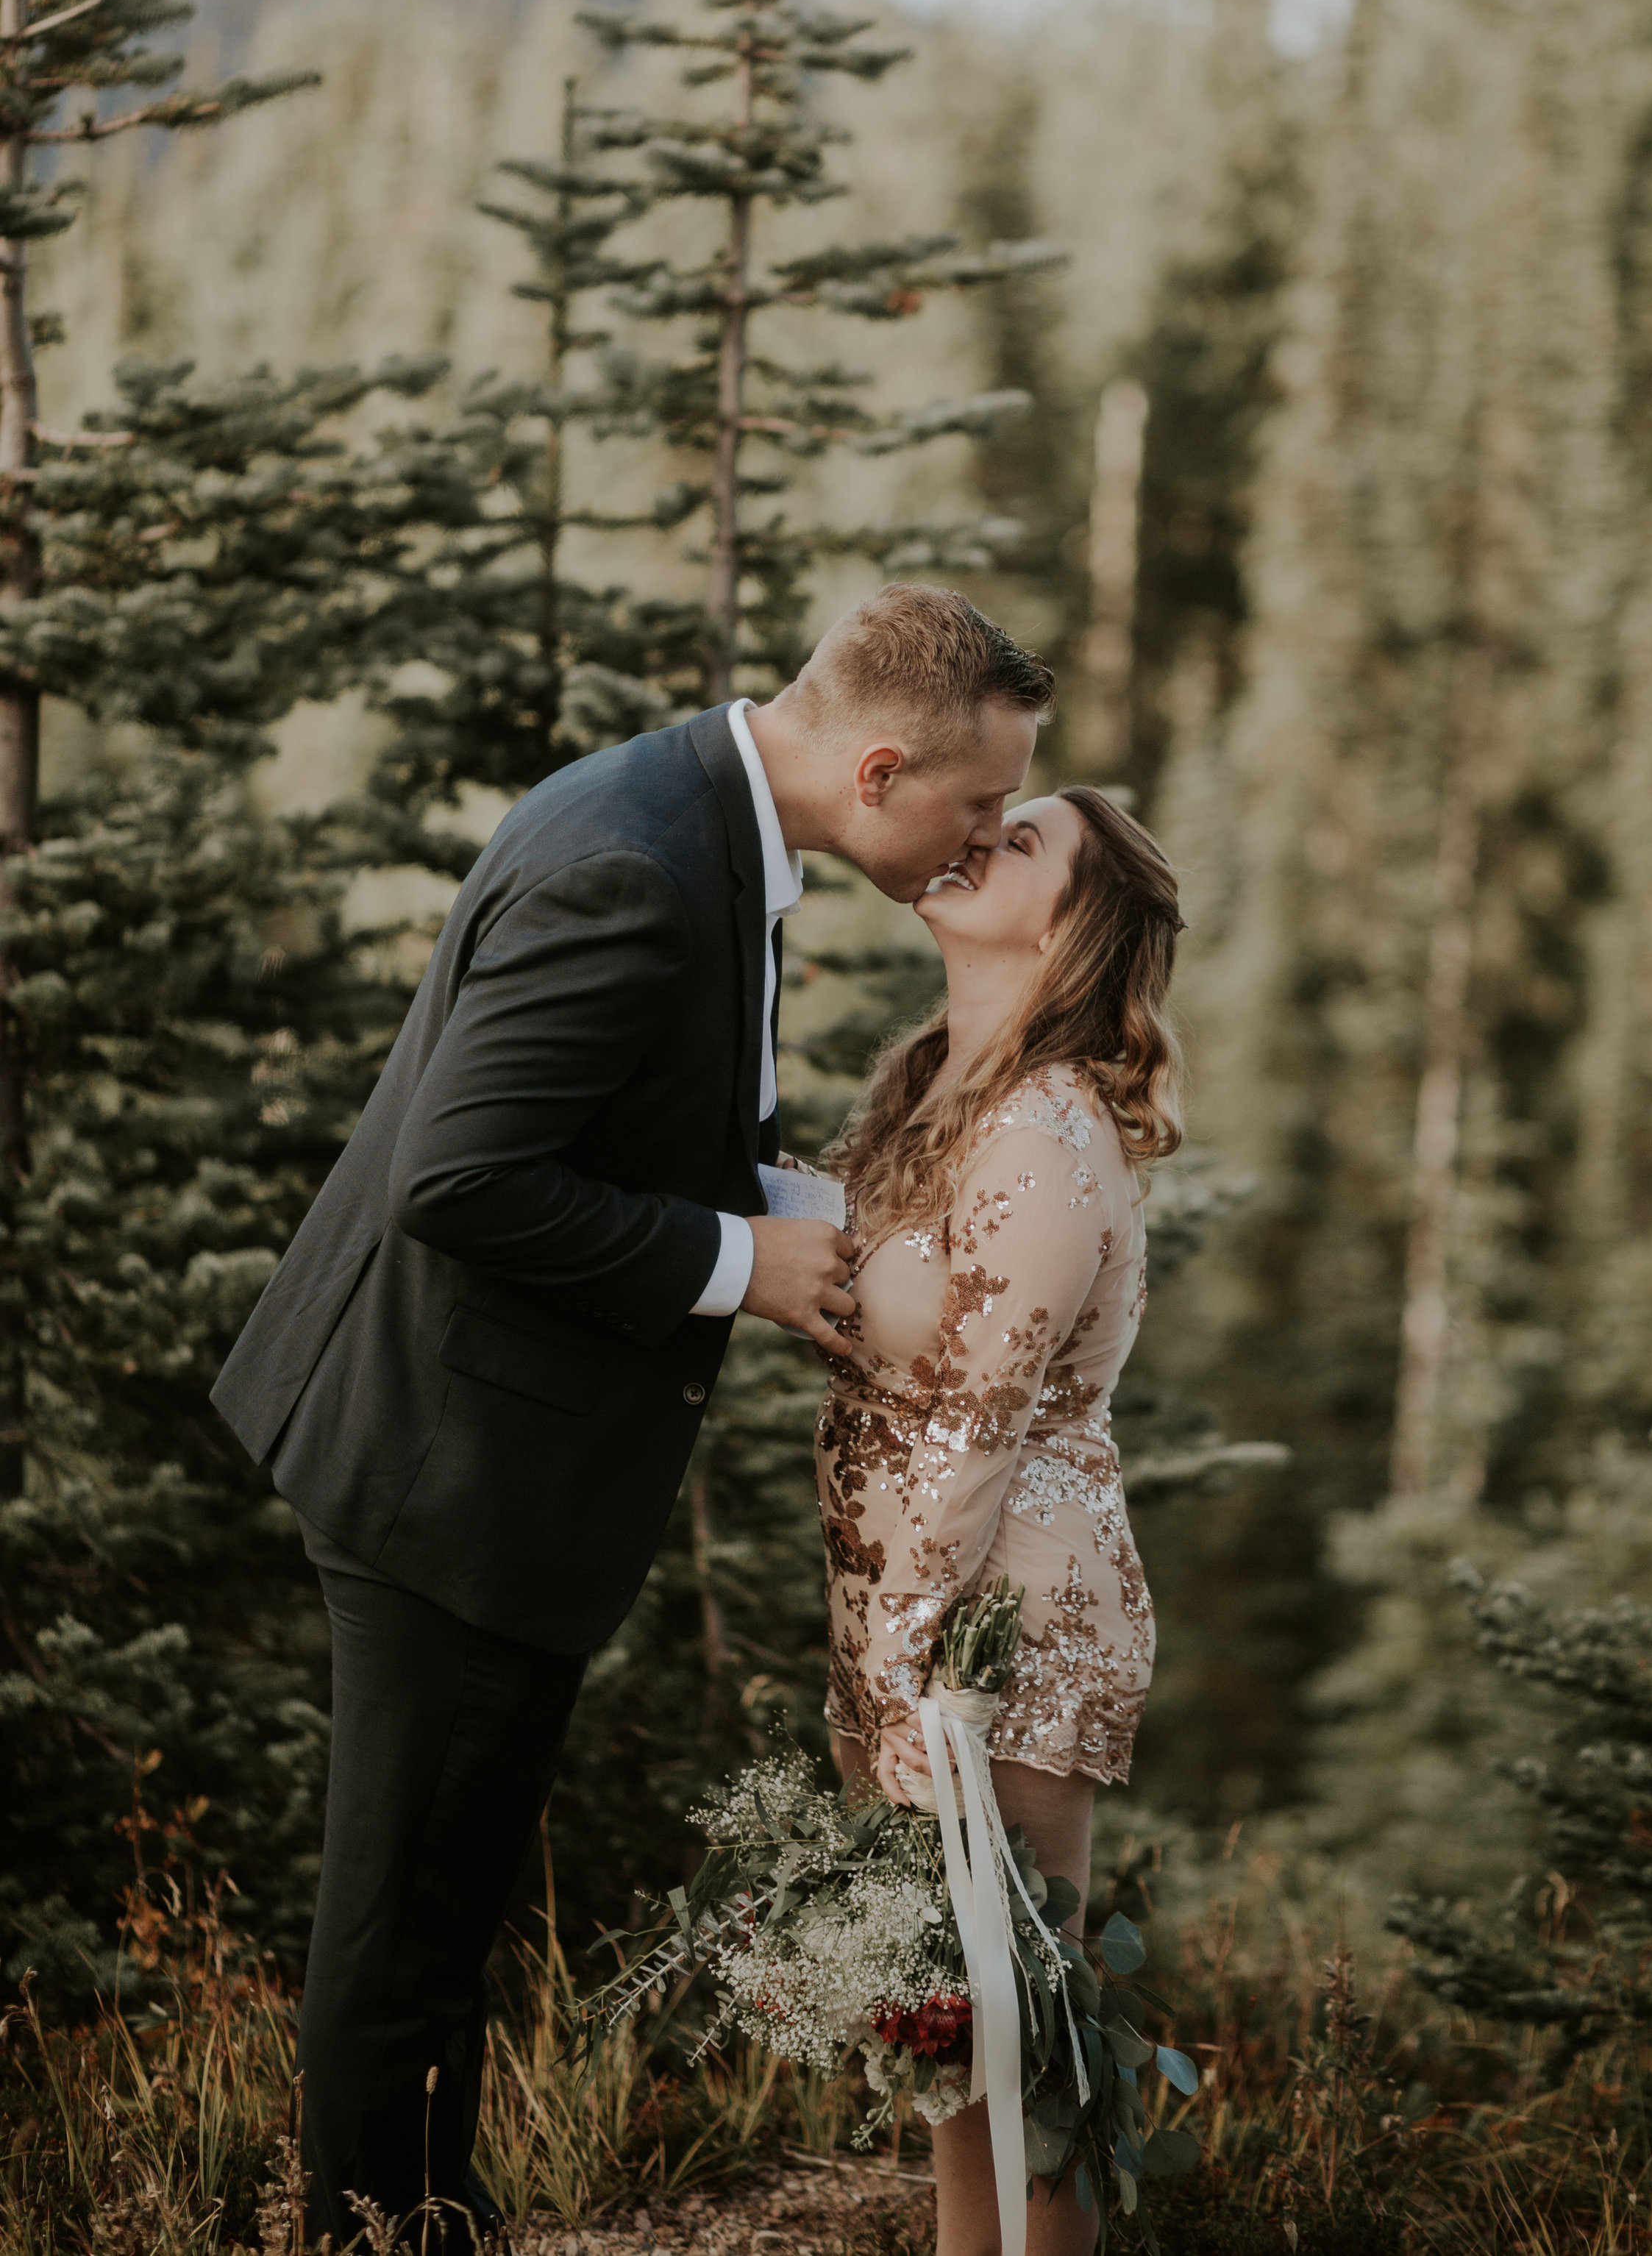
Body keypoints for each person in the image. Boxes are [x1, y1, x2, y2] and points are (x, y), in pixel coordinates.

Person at [209, 584, 1055, 2251]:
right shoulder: (644, 869)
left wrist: (803, 1205)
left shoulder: (688, 814)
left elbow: (619, 1118)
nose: (983, 839)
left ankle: (425, 2215)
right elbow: (464, 1178)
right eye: (973, 806)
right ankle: (367, 2229)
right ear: (879, 766)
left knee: (439, 1903)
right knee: (404, 1927)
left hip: (461, 1443)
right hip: (441, 1462)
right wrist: (736, 1261)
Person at [819, 785, 1183, 2256]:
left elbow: (976, 1414)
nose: (975, 834)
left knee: (1031, 2041)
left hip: (1004, 1628)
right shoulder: (929, 1086)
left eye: (1020, 838)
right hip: (902, 1609)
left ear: (1071, 924)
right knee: (946, 2041)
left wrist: (914, 1666)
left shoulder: (1043, 1127)